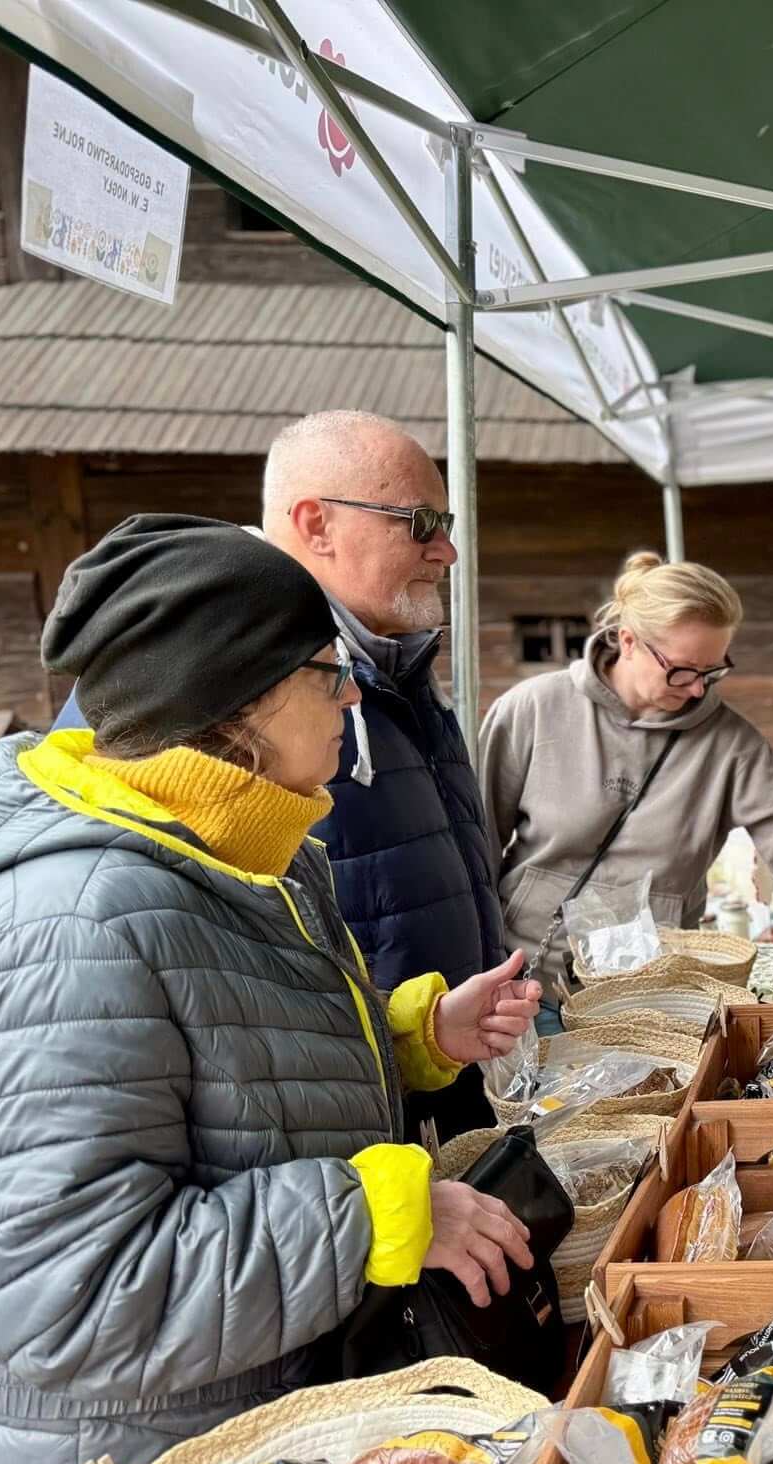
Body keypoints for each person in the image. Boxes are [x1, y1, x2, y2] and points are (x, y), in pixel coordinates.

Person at [0, 516, 541, 1464]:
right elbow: (69, 1292)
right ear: (234, 703)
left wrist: (415, 1035)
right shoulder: (69, 923)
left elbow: (217, 1057)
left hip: (250, 1452)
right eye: (327, 672)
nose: (351, 695)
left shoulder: (244, 843)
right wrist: (382, 1218)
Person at [55, 411, 509, 1145]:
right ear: (316, 524)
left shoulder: (398, 659)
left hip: (419, 1072)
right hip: (309, 1140)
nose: (448, 550)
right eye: (422, 521)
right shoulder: (190, 673)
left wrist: (424, 1033)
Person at [481, 552, 773, 995]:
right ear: (628, 640)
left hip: (652, 994)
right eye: (682, 671)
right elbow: (475, 846)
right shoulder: (532, 710)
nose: (697, 688)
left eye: (712, 671)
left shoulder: (732, 745)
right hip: (523, 980)